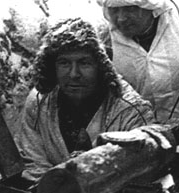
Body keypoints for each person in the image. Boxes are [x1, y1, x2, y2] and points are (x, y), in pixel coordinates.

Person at [17, 17, 155, 181]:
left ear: (102, 66)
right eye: (64, 63)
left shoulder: (130, 112)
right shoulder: (39, 101)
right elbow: (33, 163)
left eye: (84, 63)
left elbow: (141, 173)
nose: (74, 74)